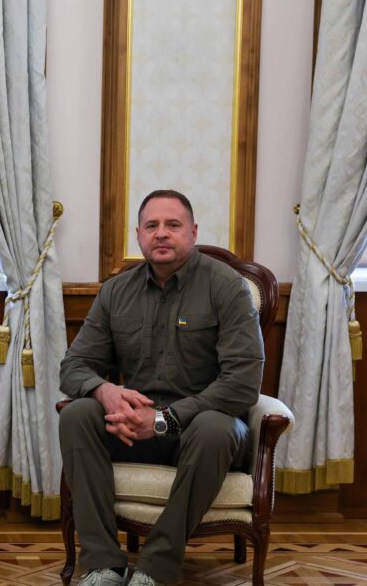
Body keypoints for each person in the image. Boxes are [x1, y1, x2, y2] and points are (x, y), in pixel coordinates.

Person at [58, 190, 264, 586]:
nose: (161, 233)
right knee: (78, 414)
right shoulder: (116, 291)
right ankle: (104, 565)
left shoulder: (228, 288)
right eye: (151, 226)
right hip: (134, 429)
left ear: (193, 232)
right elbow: (74, 366)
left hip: (203, 431)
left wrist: (164, 419)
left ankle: (156, 568)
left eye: (173, 225)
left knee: (215, 428)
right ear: (138, 234)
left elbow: (242, 383)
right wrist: (105, 391)